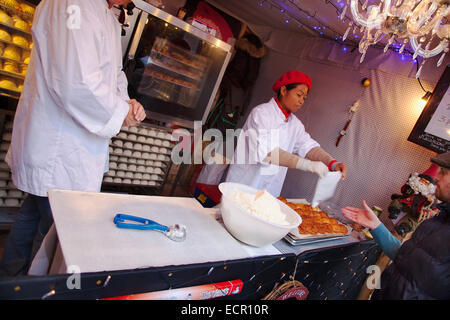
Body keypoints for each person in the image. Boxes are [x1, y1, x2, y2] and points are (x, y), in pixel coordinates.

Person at [0, 0, 146, 277]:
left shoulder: (107, 13)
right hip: (59, 145)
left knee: (32, 219)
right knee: (51, 235)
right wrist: (119, 112)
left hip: (72, 148)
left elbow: (112, 72)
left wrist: (128, 102)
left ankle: (9, 281)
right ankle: (25, 291)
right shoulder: (73, 3)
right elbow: (75, 84)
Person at [341, 152, 450, 299]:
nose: (436, 177)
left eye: (443, 172)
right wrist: (376, 226)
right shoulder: (437, 220)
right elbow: (406, 259)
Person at [225, 70, 347, 197]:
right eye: (299, 95)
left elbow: (309, 147)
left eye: (304, 98)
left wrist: (332, 163)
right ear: (283, 91)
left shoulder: (295, 125)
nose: (301, 101)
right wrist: (307, 165)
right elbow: (268, 152)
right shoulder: (262, 114)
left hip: (269, 192)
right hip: (244, 184)